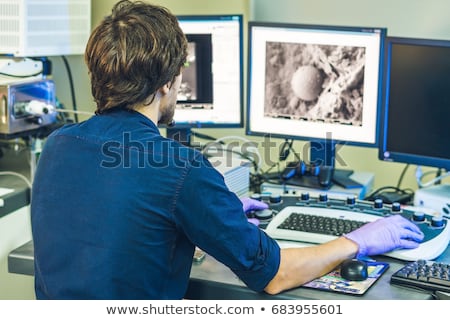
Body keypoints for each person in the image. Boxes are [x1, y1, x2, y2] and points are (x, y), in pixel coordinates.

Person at [31, 0, 424, 299]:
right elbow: (275, 275)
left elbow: (123, 225)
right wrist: (362, 239)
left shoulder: (56, 146)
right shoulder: (179, 167)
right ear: (168, 83)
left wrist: (212, 216)